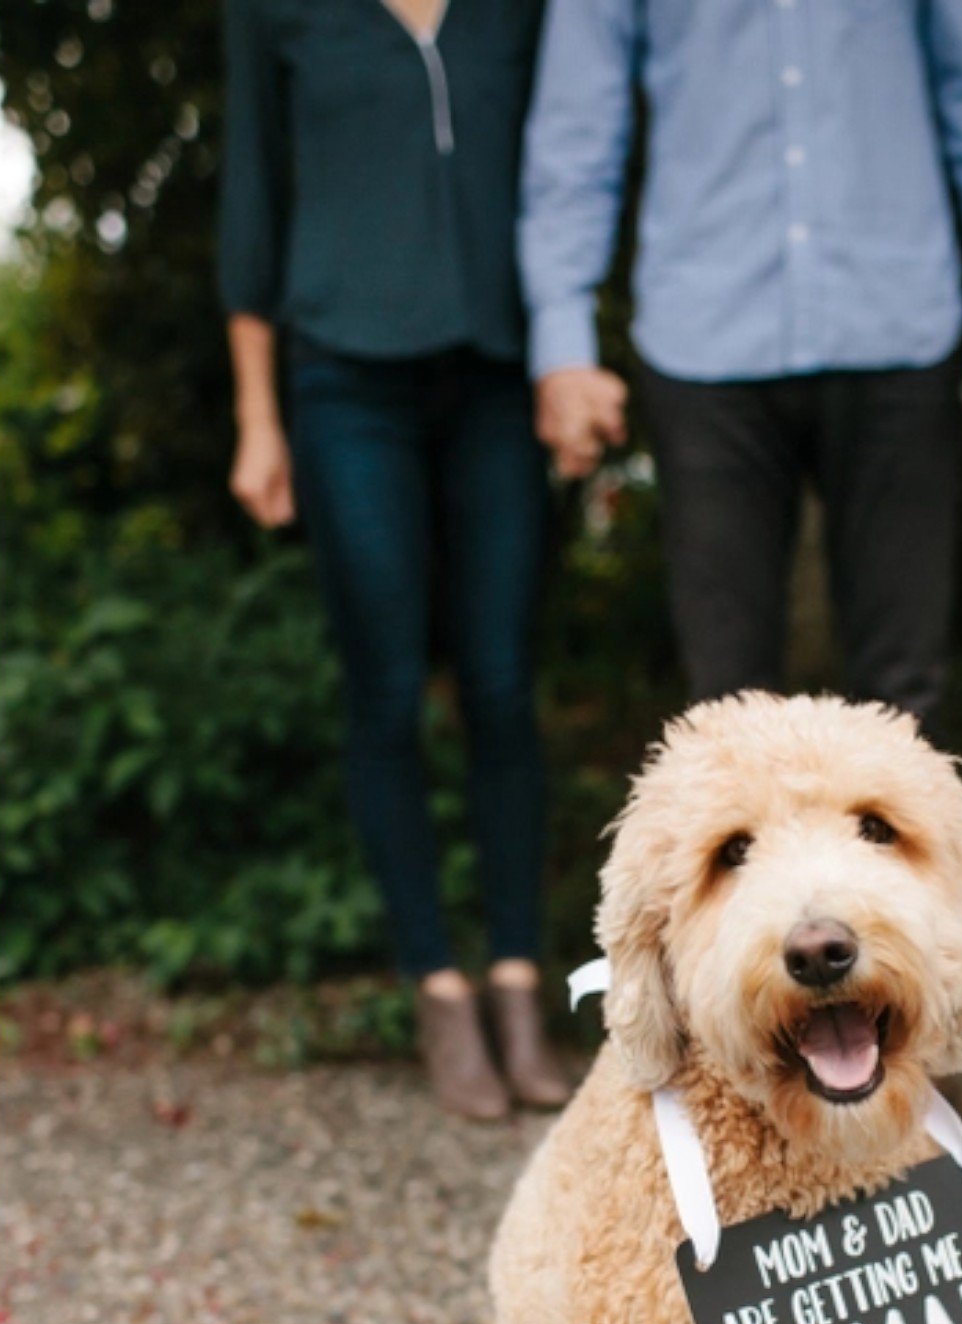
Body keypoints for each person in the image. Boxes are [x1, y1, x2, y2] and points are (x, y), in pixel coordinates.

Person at [218, 0, 569, 1121]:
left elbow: (567, 168)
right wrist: (257, 417)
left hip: (498, 377)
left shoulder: (519, 12)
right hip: (342, 379)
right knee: (385, 687)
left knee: (503, 683)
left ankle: (518, 985)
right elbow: (251, 196)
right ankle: (437, 985)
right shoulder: (282, 13)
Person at [519, 0, 962, 727]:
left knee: (907, 705)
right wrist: (563, 338)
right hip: (704, 336)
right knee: (726, 714)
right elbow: (575, 130)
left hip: (897, 322)